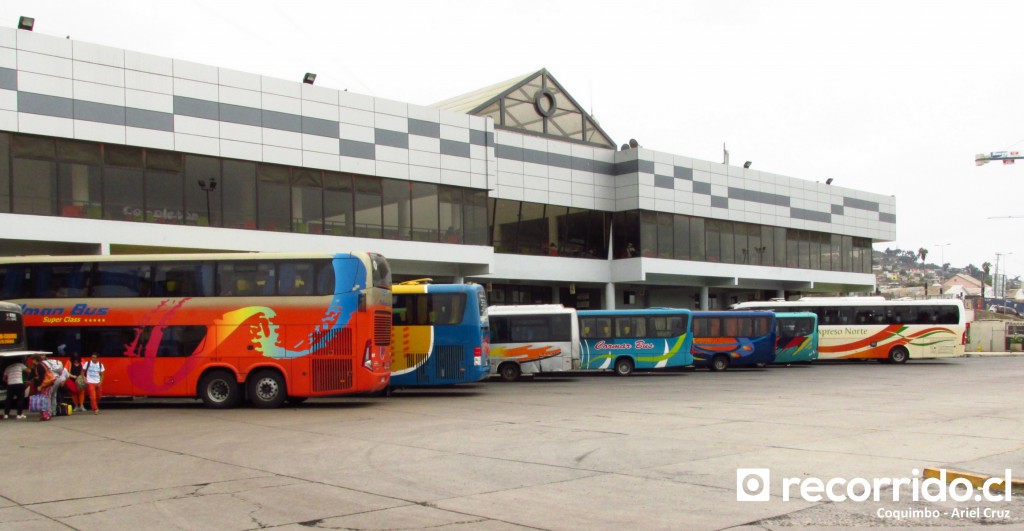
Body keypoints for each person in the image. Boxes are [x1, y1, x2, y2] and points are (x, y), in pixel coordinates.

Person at [42, 353, 67, 417]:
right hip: (57, 378)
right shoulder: (56, 361)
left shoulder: (44, 363)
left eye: (43, 355)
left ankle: (49, 412)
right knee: (54, 395)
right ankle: (54, 412)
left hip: (51, 379)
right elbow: (61, 371)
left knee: (49, 396)